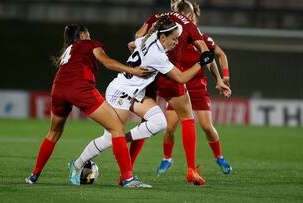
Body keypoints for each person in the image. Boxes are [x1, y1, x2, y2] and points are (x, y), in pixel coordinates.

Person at [70, 15, 224, 187]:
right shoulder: (158, 56)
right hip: (120, 92)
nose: (175, 43)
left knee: (159, 122)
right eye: (173, 39)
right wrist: (201, 62)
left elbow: (131, 45)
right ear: (163, 37)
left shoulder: (149, 38)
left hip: (135, 92)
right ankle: (77, 164)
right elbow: (181, 78)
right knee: (108, 137)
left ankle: (120, 140)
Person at [24, 24, 154, 188]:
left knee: (53, 133)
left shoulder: (68, 51)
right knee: (117, 128)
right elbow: (107, 62)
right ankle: (128, 178)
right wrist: (132, 70)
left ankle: (34, 175)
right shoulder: (89, 43)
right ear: (84, 34)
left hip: (58, 89)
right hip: (80, 88)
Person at [127, 0, 231, 185]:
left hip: (146, 72)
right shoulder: (189, 25)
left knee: (146, 120)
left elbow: (137, 37)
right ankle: (191, 169)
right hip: (169, 75)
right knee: (187, 118)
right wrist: (219, 79)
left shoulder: (157, 17)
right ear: (190, 15)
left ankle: (127, 171)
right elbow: (207, 53)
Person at [156, 1, 232, 175]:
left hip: (197, 88)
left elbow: (214, 56)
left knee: (207, 126)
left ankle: (219, 156)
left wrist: (221, 78)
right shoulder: (173, 38)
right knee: (170, 127)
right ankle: (167, 159)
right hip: (178, 87)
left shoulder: (202, 38)